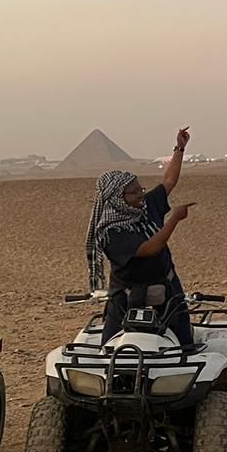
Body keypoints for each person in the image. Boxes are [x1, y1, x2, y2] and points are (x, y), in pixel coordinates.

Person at [85, 126, 197, 346]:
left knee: (184, 349)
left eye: (141, 189)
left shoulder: (145, 207)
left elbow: (168, 181)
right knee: (110, 354)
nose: (141, 194)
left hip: (167, 292)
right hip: (126, 300)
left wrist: (179, 149)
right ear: (118, 197)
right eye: (135, 192)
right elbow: (149, 249)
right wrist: (174, 219)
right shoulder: (111, 232)